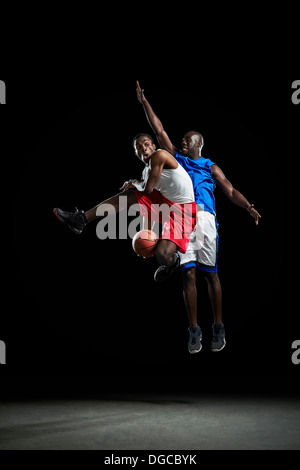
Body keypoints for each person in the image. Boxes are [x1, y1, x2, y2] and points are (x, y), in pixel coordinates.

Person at [136, 81, 261, 354]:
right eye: (181, 140)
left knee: (211, 276)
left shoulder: (209, 166)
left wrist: (248, 206)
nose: (182, 142)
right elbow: (159, 130)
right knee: (188, 275)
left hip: (204, 218)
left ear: (199, 144)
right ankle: (194, 330)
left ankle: (218, 326)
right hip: (182, 216)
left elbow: (229, 190)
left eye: (187, 140)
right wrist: (144, 103)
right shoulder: (177, 160)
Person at [54, 134, 197, 283]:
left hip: (184, 211)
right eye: (139, 148)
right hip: (166, 204)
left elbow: (147, 189)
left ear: (153, 146)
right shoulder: (146, 172)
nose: (144, 149)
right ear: (137, 154)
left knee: (162, 256)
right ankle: (81, 219)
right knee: (128, 196)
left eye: (146, 144)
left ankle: (172, 262)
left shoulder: (160, 155)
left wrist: (136, 182)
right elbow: (149, 206)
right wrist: (146, 235)